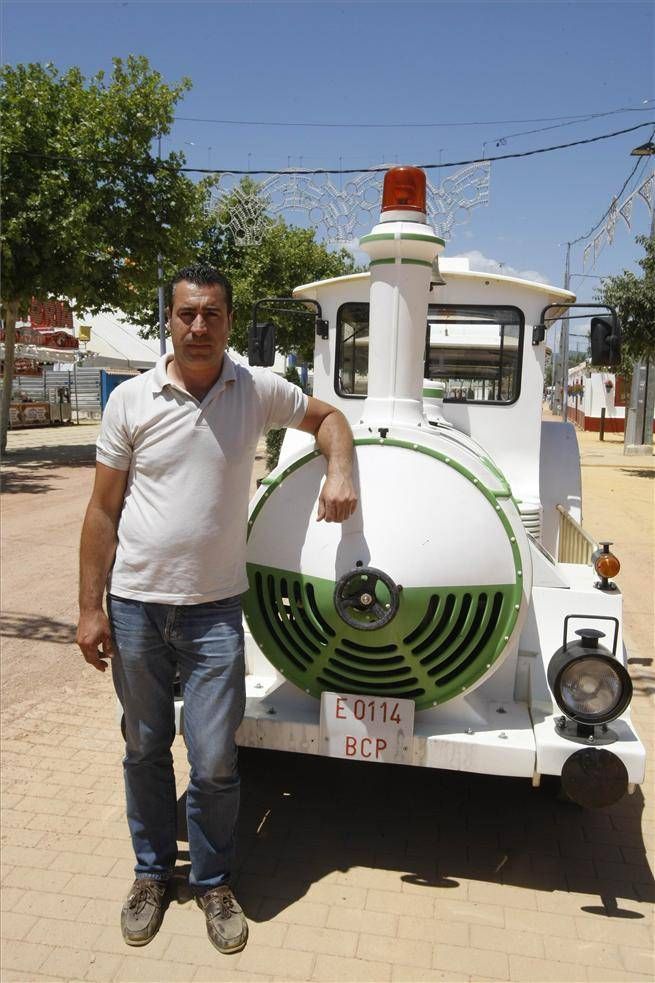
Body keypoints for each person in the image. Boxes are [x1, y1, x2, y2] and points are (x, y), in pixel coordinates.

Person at [76, 265, 358, 955]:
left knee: (214, 760)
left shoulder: (254, 390)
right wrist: (90, 607)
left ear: (230, 321)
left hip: (213, 615)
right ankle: (150, 874)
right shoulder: (131, 401)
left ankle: (212, 881)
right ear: (167, 321)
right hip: (138, 606)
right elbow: (102, 511)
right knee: (143, 748)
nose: (198, 326)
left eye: (211, 314)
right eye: (185, 314)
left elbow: (328, 418)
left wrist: (341, 467)